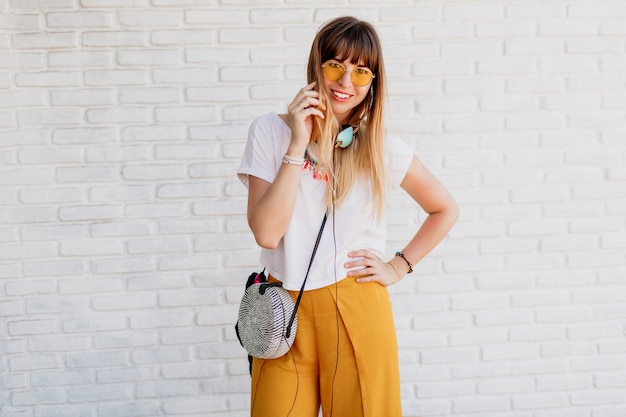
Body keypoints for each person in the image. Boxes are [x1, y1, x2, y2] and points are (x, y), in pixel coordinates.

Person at [237, 16, 459, 417]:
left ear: (373, 81)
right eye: (336, 65)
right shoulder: (270, 132)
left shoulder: (384, 148)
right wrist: (299, 142)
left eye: (361, 71)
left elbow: (444, 209)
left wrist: (398, 265)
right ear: (316, 67)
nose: (346, 82)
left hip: (357, 305)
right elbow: (267, 234)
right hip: (283, 307)